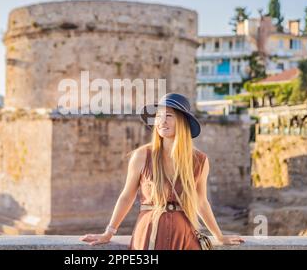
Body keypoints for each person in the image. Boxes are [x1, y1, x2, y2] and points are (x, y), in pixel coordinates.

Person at [80, 93, 245, 249]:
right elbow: (127, 196)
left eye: (169, 116)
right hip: (148, 235)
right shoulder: (142, 156)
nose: (161, 121)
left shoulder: (200, 161)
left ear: (182, 122)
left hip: (185, 236)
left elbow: (201, 202)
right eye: (158, 116)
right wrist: (109, 232)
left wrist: (219, 236)